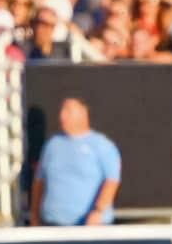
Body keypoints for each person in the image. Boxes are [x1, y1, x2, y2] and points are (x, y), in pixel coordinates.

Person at [30, 97, 121, 226]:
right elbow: (39, 181)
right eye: (61, 110)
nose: (62, 115)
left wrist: (98, 211)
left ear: (83, 112)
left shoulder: (102, 145)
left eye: (68, 111)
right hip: (52, 226)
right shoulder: (52, 145)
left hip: (89, 228)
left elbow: (112, 181)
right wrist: (34, 214)